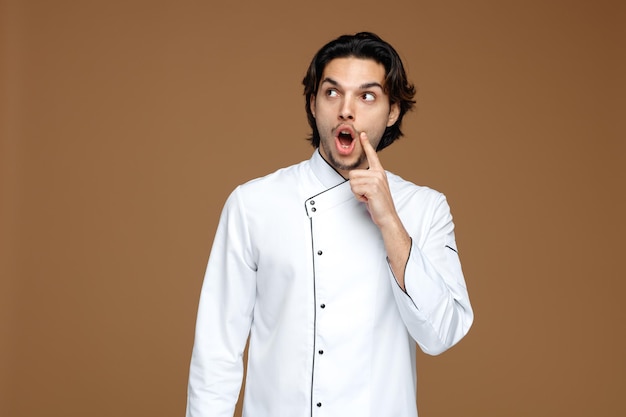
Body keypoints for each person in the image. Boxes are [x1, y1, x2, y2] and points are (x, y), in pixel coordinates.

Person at [186, 32, 473, 417]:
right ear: (313, 103)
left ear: (393, 112)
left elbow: (442, 334)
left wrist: (388, 220)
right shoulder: (253, 203)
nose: (346, 111)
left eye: (367, 96)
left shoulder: (424, 208)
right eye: (332, 93)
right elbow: (216, 351)